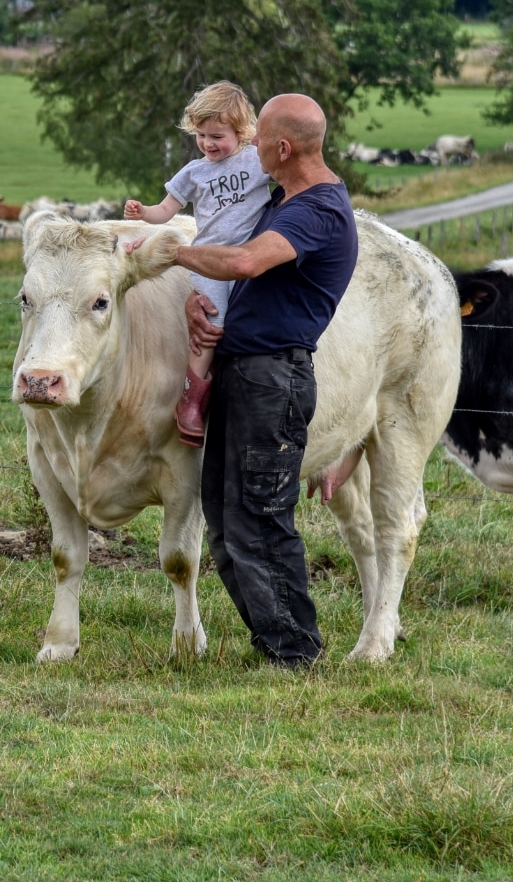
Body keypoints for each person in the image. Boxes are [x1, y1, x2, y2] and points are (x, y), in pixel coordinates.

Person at [169, 94, 358, 667]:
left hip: (272, 380)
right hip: (243, 370)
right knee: (226, 518)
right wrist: (197, 310)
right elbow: (240, 277)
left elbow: (247, 263)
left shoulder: (317, 210)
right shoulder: (283, 199)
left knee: (260, 516)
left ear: (281, 147)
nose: (248, 148)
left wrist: (172, 253)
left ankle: (295, 653)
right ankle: (273, 640)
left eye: (258, 141)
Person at [123, 81, 273, 447]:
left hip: (249, 257)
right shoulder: (193, 173)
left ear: (242, 132)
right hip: (207, 261)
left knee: (253, 319)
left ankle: (239, 392)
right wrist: (144, 212)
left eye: (217, 136)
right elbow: (165, 210)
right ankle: (192, 400)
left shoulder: (256, 160)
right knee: (212, 322)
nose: (208, 144)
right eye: (201, 135)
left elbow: (288, 175)